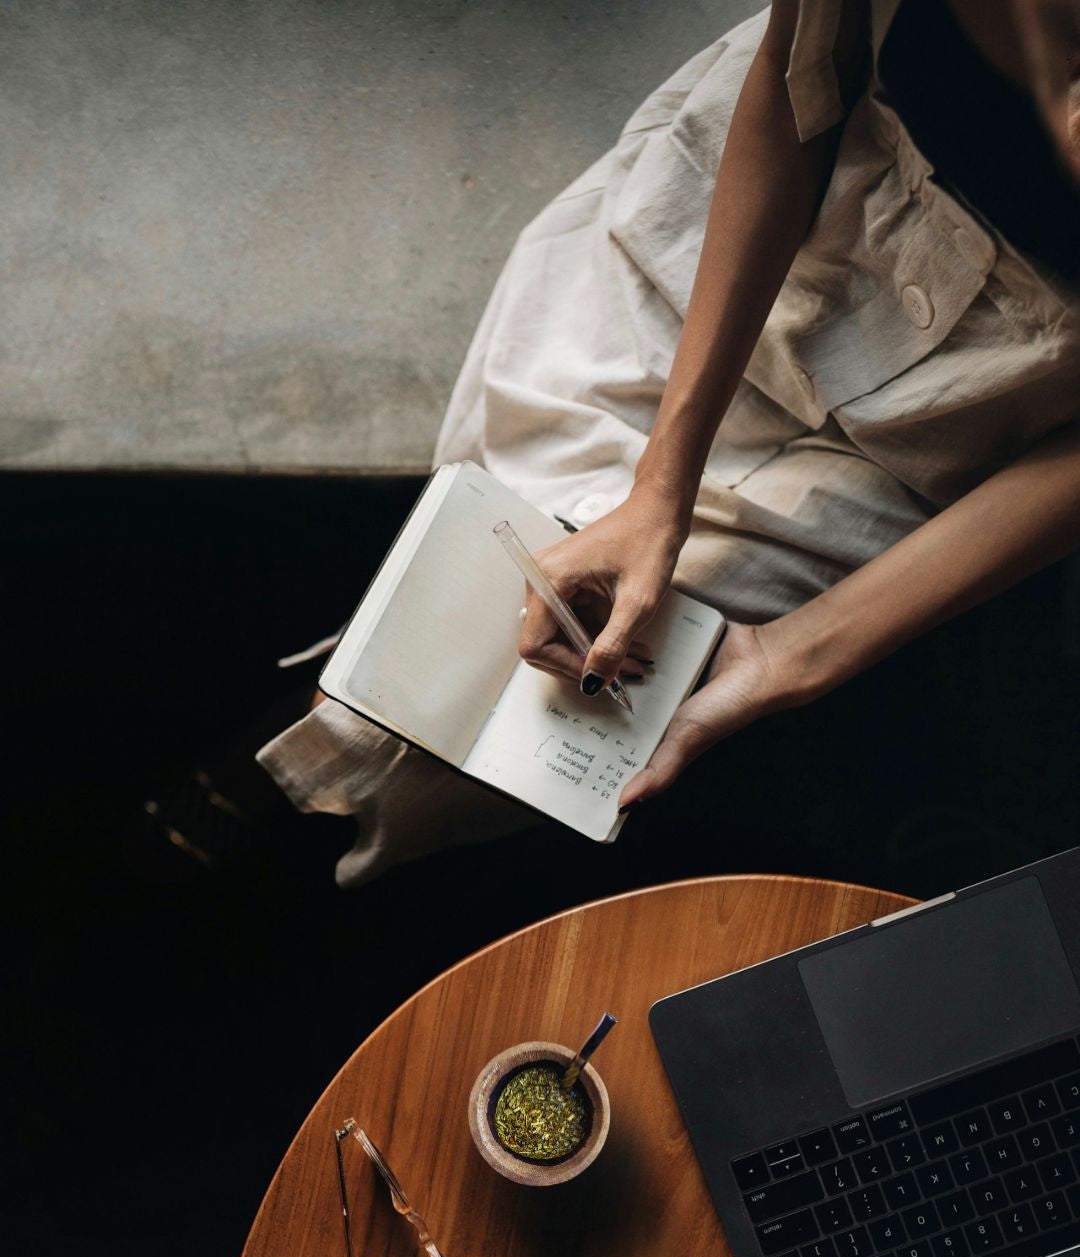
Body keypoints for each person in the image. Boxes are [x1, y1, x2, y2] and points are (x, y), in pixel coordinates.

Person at [255, 0, 1080, 887]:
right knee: (422, 649)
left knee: (514, 728)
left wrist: (792, 655)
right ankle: (277, 767)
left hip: (949, 428)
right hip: (710, 276)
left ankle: (299, 822)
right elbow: (796, 82)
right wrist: (659, 489)